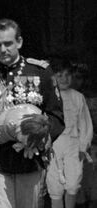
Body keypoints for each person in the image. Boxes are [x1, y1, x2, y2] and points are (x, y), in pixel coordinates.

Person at [0, 18, 65, 208]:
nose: (3, 49)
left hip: (30, 158)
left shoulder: (41, 72)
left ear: (19, 42)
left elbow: (56, 116)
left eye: (8, 43)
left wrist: (39, 138)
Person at [46, 59, 93, 208]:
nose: (64, 79)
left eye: (67, 75)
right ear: (52, 77)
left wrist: (83, 147)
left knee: (72, 183)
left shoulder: (78, 97)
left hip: (73, 144)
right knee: (55, 185)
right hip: (53, 145)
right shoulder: (47, 97)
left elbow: (85, 124)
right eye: (60, 75)